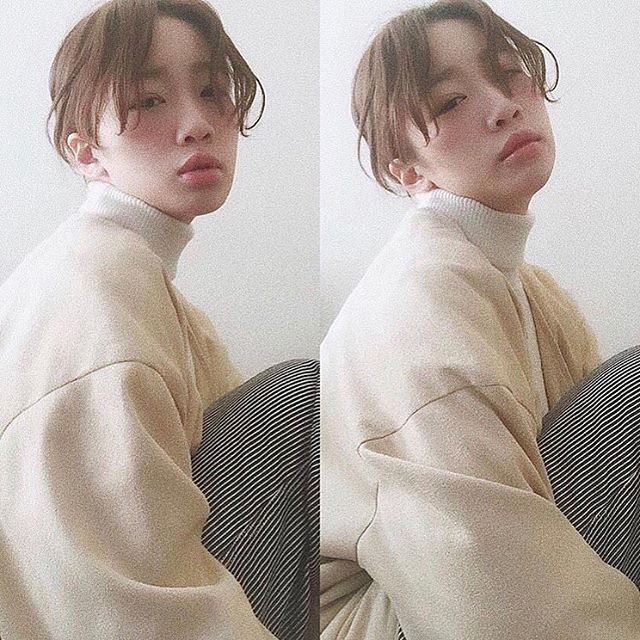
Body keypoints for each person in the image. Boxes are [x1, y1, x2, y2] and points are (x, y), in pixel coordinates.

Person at [320, 1, 640, 638]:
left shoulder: (521, 284)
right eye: (449, 102)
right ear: (407, 169)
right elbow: (487, 596)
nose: (502, 106)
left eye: (508, 73)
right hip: (390, 610)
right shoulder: (421, 310)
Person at [0, 1, 317, 639]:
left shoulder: (133, 278)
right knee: (301, 397)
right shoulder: (98, 298)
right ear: (86, 152)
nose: (196, 124)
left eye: (212, 91)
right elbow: (107, 596)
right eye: (148, 101)